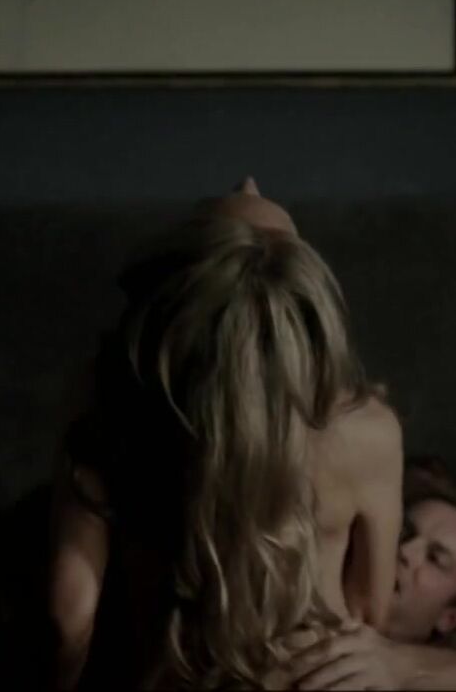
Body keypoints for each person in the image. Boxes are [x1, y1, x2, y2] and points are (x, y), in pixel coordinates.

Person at [45, 178, 404, 689]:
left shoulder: (111, 414)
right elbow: (369, 613)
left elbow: (68, 617)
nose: (249, 180)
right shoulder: (369, 431)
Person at [276, 459, 456, 690]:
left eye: (435, 558)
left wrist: (402, 666)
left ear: (450, 617)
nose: (405, 551)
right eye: (404, 531)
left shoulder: (454, 653)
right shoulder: (304, 592)